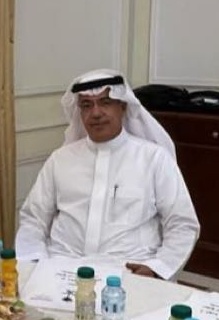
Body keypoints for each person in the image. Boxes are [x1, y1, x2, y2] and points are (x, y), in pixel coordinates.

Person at [16, 69, 200, 280]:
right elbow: (33, 219)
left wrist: (158, 268)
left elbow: (182, 224)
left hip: (129, 272)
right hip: (62, 267)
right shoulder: (60, 159)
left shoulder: (154, 158)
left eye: (105, 102)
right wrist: (34, 261)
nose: (96, 113)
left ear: (123, 107)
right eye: (87, 105)